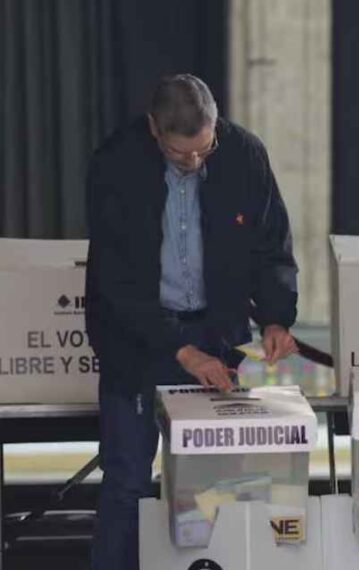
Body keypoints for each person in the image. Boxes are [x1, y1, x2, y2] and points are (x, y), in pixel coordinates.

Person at [85, 74, 299, 570]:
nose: (196, 162)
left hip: (216, 334)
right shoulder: (115, 164)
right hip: (134, 341)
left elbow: (273, 247)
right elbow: (117, 284)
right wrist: (182, 350)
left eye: (205, 149)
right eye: (182, 155)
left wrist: (275, 317)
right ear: (155, 130)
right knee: (128, 482)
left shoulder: (244, 154)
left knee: (216, 485)